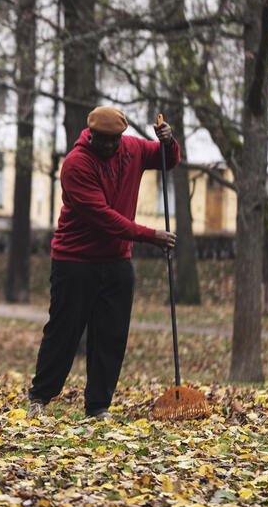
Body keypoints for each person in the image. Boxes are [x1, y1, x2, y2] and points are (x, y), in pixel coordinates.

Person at [27, 106, 178, 421]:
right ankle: (39, 398)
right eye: (103, 139)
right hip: (74, 261)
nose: (109, 145)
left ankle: (98, 407)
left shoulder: (132, 148)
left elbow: (168, 160)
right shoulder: (75, 164)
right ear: (91, 134)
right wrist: (151, 235)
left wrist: (168, 141)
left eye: (114, 139)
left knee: (111, 335)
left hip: (117, 260)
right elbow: (103, 218)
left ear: (121, 136)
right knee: (64, 332)